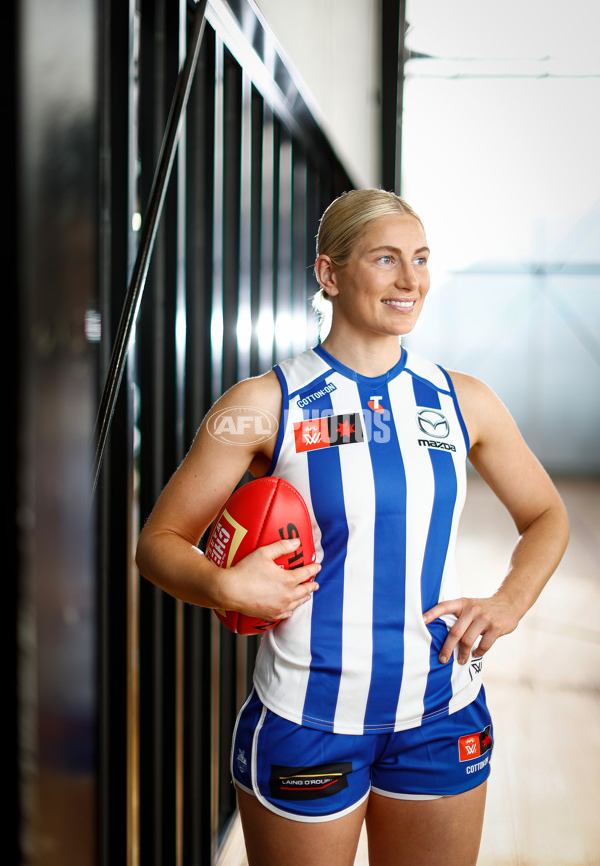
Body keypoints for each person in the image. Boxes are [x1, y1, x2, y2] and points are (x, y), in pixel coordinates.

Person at [136, 189, 570, 866]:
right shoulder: (260, 404)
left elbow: (547, 514)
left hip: (440, 710)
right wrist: (224, 584)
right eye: (387, 259)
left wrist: (509, 600)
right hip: (308, 720)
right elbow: (157, 544)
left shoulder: (463, 400)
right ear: (330, 274)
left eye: (421, 259)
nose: (411, 280)